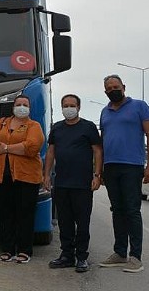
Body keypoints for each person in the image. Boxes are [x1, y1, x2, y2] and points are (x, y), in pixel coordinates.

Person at [97, 74, 149, 273]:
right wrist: (101, 170)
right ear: (105, 91)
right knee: (117, 210)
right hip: (111, 166)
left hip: (132, 165)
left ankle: (135, 257)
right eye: (109, 87)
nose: (113, 89)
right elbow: (103, 140)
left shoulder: (140, 106)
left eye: (116, 86)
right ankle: (120, 253)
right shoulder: (104, 112)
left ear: (123, 86)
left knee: (132, 210)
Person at [43, 94, 103, 273]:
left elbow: (97, 152)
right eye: (65, 105)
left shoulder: (88, 127)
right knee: (65, 221)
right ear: (61, 107)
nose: (69, 108)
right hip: (61, 183)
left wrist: (97, 175)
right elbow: (51, 152)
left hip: (83, 184)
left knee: (82, 222)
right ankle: (66, 255)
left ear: (78, 107)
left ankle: (82, 257)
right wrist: (46, 175)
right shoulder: (57, 128)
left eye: (72, 105)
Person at [0, 95, 44, 264]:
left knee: (25, 214)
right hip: (4, 176)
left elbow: (31, 147)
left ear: (30, 108)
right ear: (13, 107)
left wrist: (6, 148)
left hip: (27, 177)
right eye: (19, 104)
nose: (22, 107)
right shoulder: (2, 123)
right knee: (6, 214)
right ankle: (7, 249)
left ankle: (25, 251)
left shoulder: (34, 125)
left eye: (25, 104)